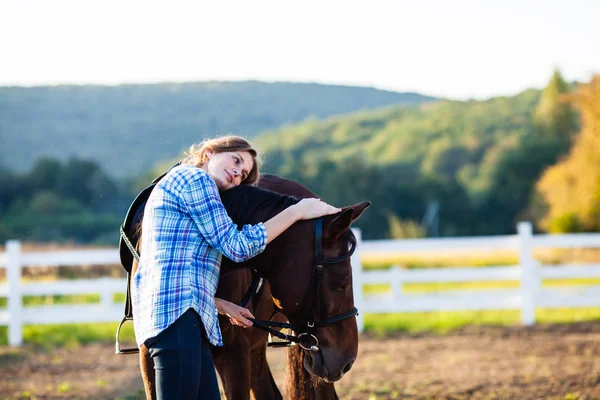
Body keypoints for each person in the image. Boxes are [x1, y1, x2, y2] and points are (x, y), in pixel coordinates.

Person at [132, 135, 340, 399]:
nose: (238, 173)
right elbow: (236, 247)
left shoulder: (182, 184)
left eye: (243, 174)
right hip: (178, 320)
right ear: (209, 153)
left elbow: (173, 267)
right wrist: (296, 212)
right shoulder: (195, 179)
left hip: (184, 317)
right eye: (236, 160)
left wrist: (219, 303)